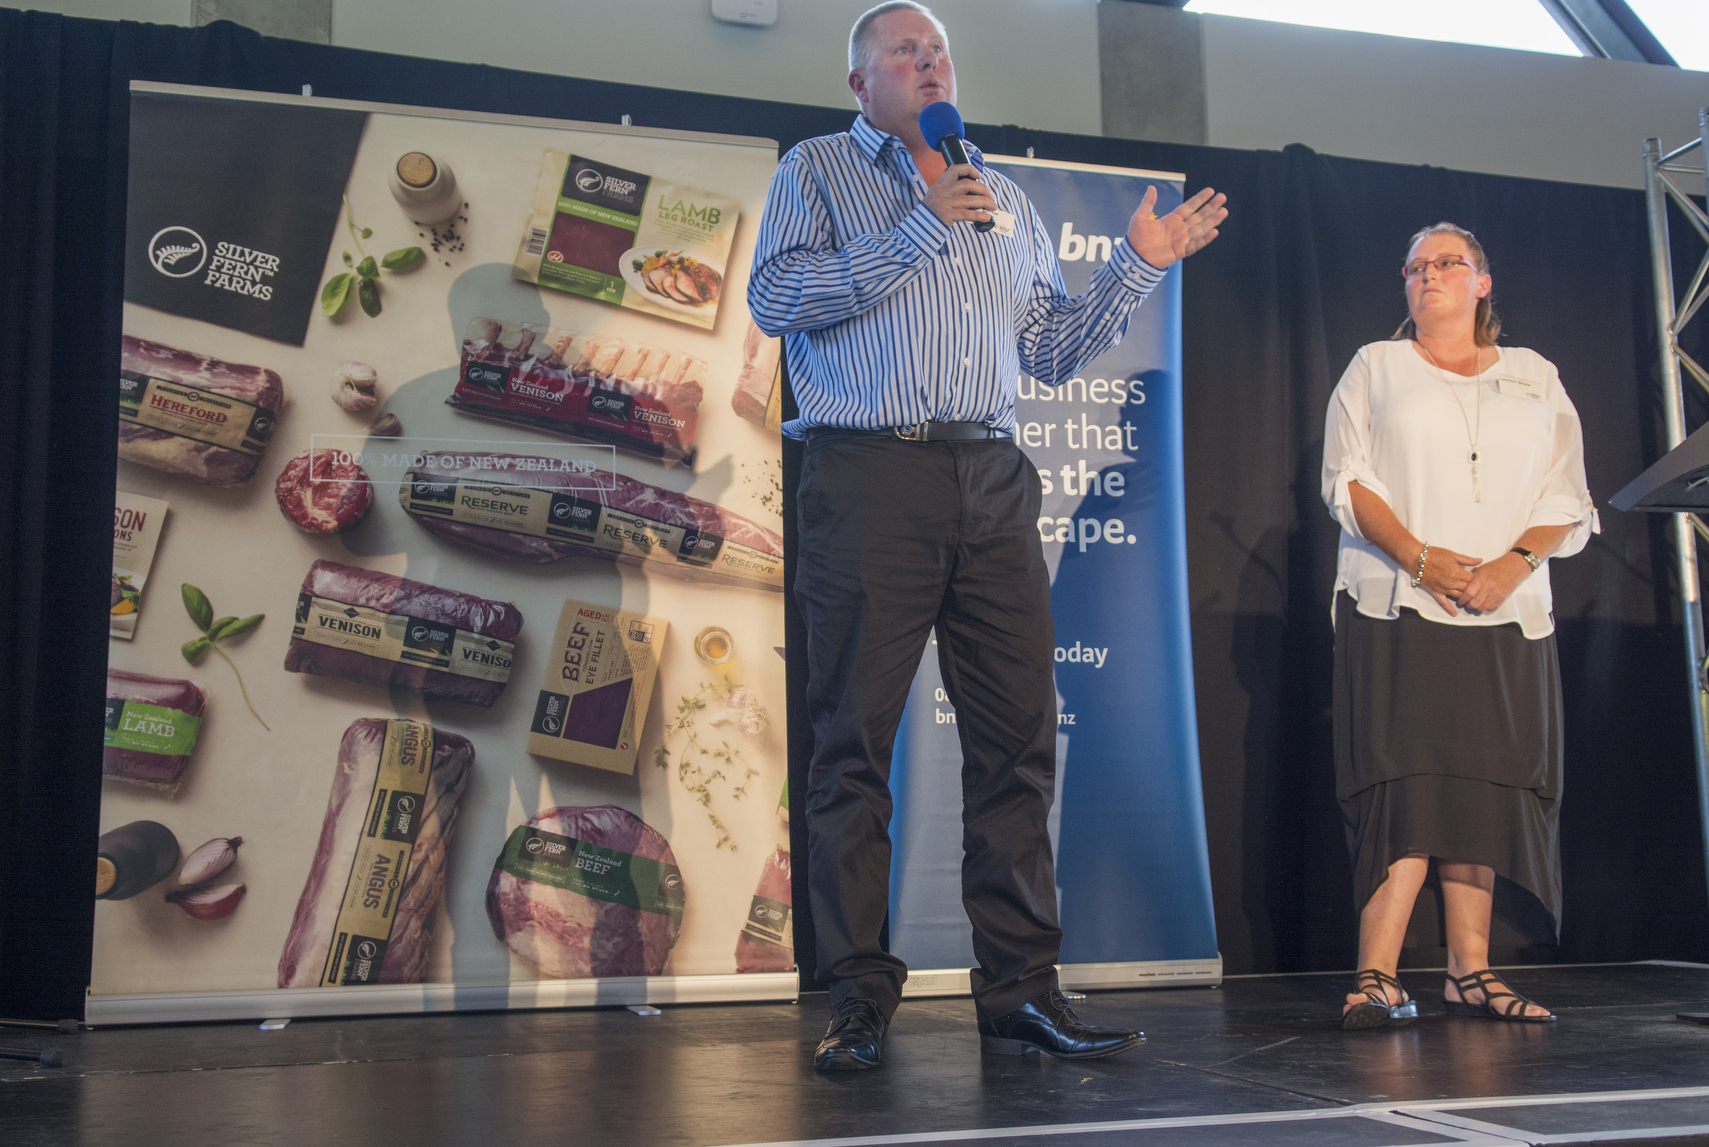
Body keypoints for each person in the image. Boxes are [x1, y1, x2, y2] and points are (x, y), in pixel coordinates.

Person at [747, 1, 1226, 1072]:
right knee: (851, 746)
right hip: (866, 470)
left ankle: (1018, 991)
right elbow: (777, 297)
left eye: (938, 51)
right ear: (859, 84)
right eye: (903, 52)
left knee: (1016, 738)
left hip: (991, 473)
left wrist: (1137, 267)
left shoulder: (1002, 198)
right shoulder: (816, 169)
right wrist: (919, 218)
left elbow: (1050, 352)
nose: (927, 63)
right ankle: (858, 996)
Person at [1320, 222, 1597, 1030]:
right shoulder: (1376, 365)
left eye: (1445, 263)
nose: (1425, 275)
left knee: (1478, 787)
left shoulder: (1533, 375)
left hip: (1506, 611)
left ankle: (1469, 972)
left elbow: (1566, 495)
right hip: (1399, 601)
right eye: (1412, 266)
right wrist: (1420, 557)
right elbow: (1347, 480)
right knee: (1404, 783)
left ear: (1482, 282)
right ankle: (1376, 974)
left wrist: (1510, 565)